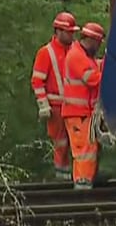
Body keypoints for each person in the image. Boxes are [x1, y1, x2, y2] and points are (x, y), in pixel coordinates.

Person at [31, 12, 78, 179]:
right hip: (56, 108)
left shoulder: (76, 50)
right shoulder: (46, 52)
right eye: (68, 32)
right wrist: (43, 105)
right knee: (61, 144)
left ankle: (77, 175)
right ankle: (62, 175)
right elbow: (37, 81)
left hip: (76, 107)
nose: (71, 35)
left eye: (73, 32)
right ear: (58, 31)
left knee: (78, 143)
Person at [61, 21, 106, 189]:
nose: (99, 47)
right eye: (99, 43)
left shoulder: (85, 56)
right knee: (84, 151)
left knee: (88, 149)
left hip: (83, 113)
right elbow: (93, 79)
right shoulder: (77, 56)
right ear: (93, 40)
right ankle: (82, 185)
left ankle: (86, 182)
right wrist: (110, 74)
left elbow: (96, 68)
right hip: (77, 114)